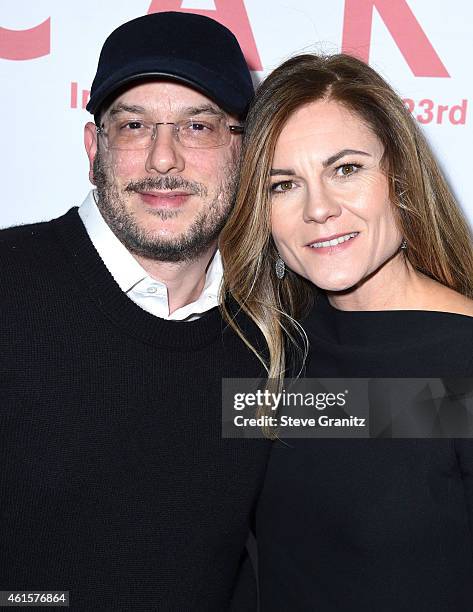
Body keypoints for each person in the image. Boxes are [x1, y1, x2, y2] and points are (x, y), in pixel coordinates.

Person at [0, 12, 270, 611]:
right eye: (134, 125)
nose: (163, 159)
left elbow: (413, 417)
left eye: (197, 126)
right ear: (95, 147)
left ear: (243, 150)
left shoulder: (271, 337)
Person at [220, 53, 473, 610]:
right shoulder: (268, 354)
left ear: (401, 181)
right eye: (282, 184)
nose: (319, 209)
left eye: (346, 169)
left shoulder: (462, 366)